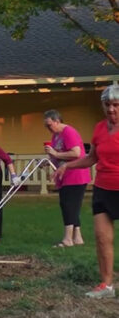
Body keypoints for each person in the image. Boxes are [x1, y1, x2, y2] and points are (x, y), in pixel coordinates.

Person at [54, 85, 119, 299]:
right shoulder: (99, 128)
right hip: (103, 189)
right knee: (102, 238)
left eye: (116, 105)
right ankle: (107, 285)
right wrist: (67, 166)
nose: (111, 109)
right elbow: (92, 158)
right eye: (107, 105)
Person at [43, 110, 90, 248]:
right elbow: (58, 155)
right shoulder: (55, 136)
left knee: (68, 206)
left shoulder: (69, 132)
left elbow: (76, 153)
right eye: (46, 126)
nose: (48, 128)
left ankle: (67, 239)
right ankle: (78, 238)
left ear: (57, 121)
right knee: (71, 206)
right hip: (64, 175)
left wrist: (55, 153)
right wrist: (49, 160)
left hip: (75, 174)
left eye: (49, 125)